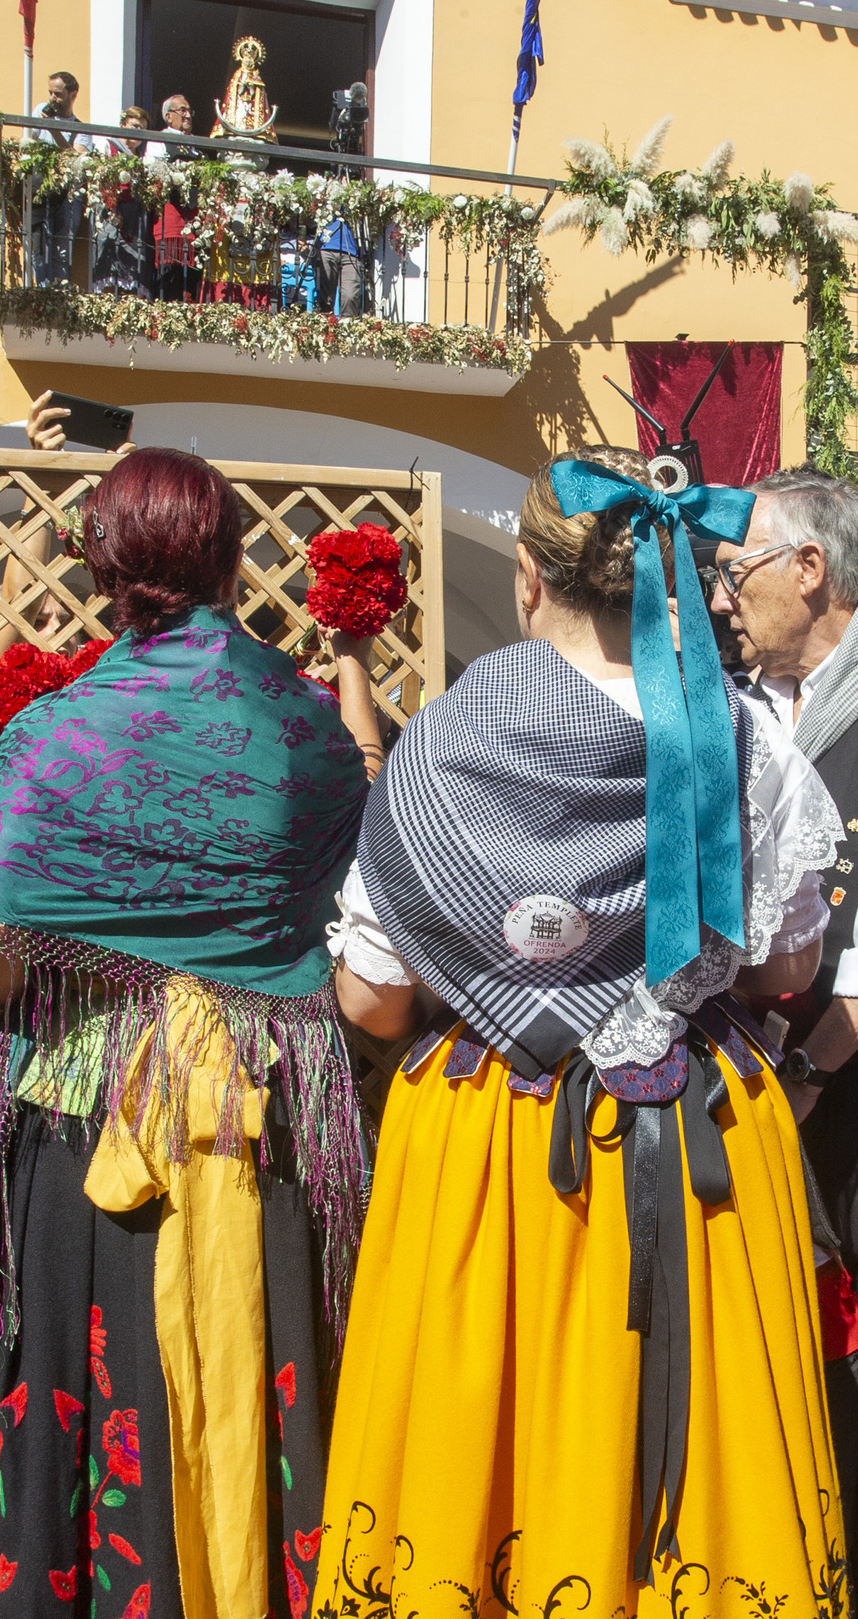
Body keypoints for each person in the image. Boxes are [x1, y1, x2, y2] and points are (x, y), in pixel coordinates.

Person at [314, 445, 847, 1617]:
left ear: (527, 577)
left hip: (493, 1145)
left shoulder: (441, 743)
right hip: (700, 1135)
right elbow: (789, 963)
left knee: (479, 1463)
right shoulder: (741, 744)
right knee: (706, 1478)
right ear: (665, 573)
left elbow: (371, 1000)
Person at [0, 448, 373, 1619]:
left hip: (84, 1121)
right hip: (269, 1116)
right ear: (236, 562)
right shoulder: (307, 734)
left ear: (103, 567)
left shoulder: (54, 736)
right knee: (256, 1387)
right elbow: (357, 911)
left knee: (76, 1393)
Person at [710, 464, 858, 1558]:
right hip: (766, 1103)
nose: (723, 598)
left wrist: (801, 1080)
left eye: (737, 570)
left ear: (810, 570)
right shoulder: (748, 713)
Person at [27, 71, 93, 286]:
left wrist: (53, 130)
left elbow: (76, 159)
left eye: (57, 94)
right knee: (37, 247)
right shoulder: (40, 111)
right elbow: (27, 143)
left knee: (62, 251)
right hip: (39, 192)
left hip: (67, 198)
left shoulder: (81, 129)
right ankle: (42, 293)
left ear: (72, 95)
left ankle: (60, 296)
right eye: (50, 93)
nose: (52, 98)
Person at [144, 96, 202, 302]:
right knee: (170, 268)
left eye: (189, 111)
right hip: (171, 214)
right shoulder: (159, 140)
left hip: (193, 218)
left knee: (193, 270)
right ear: (168, 117)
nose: (187, 115)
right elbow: (155, 172)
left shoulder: (196, 145)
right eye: (182, 110)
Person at [90, 107, 152, 297]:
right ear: (123, 125)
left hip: (136, 216)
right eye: (134, 126)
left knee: (134, 267)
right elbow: (100, 178)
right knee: (110, 261)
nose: (138, 132)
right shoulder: (108, 147)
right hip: (112, 212)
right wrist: (112, 208)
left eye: (142, 129)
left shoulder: (143, 158)